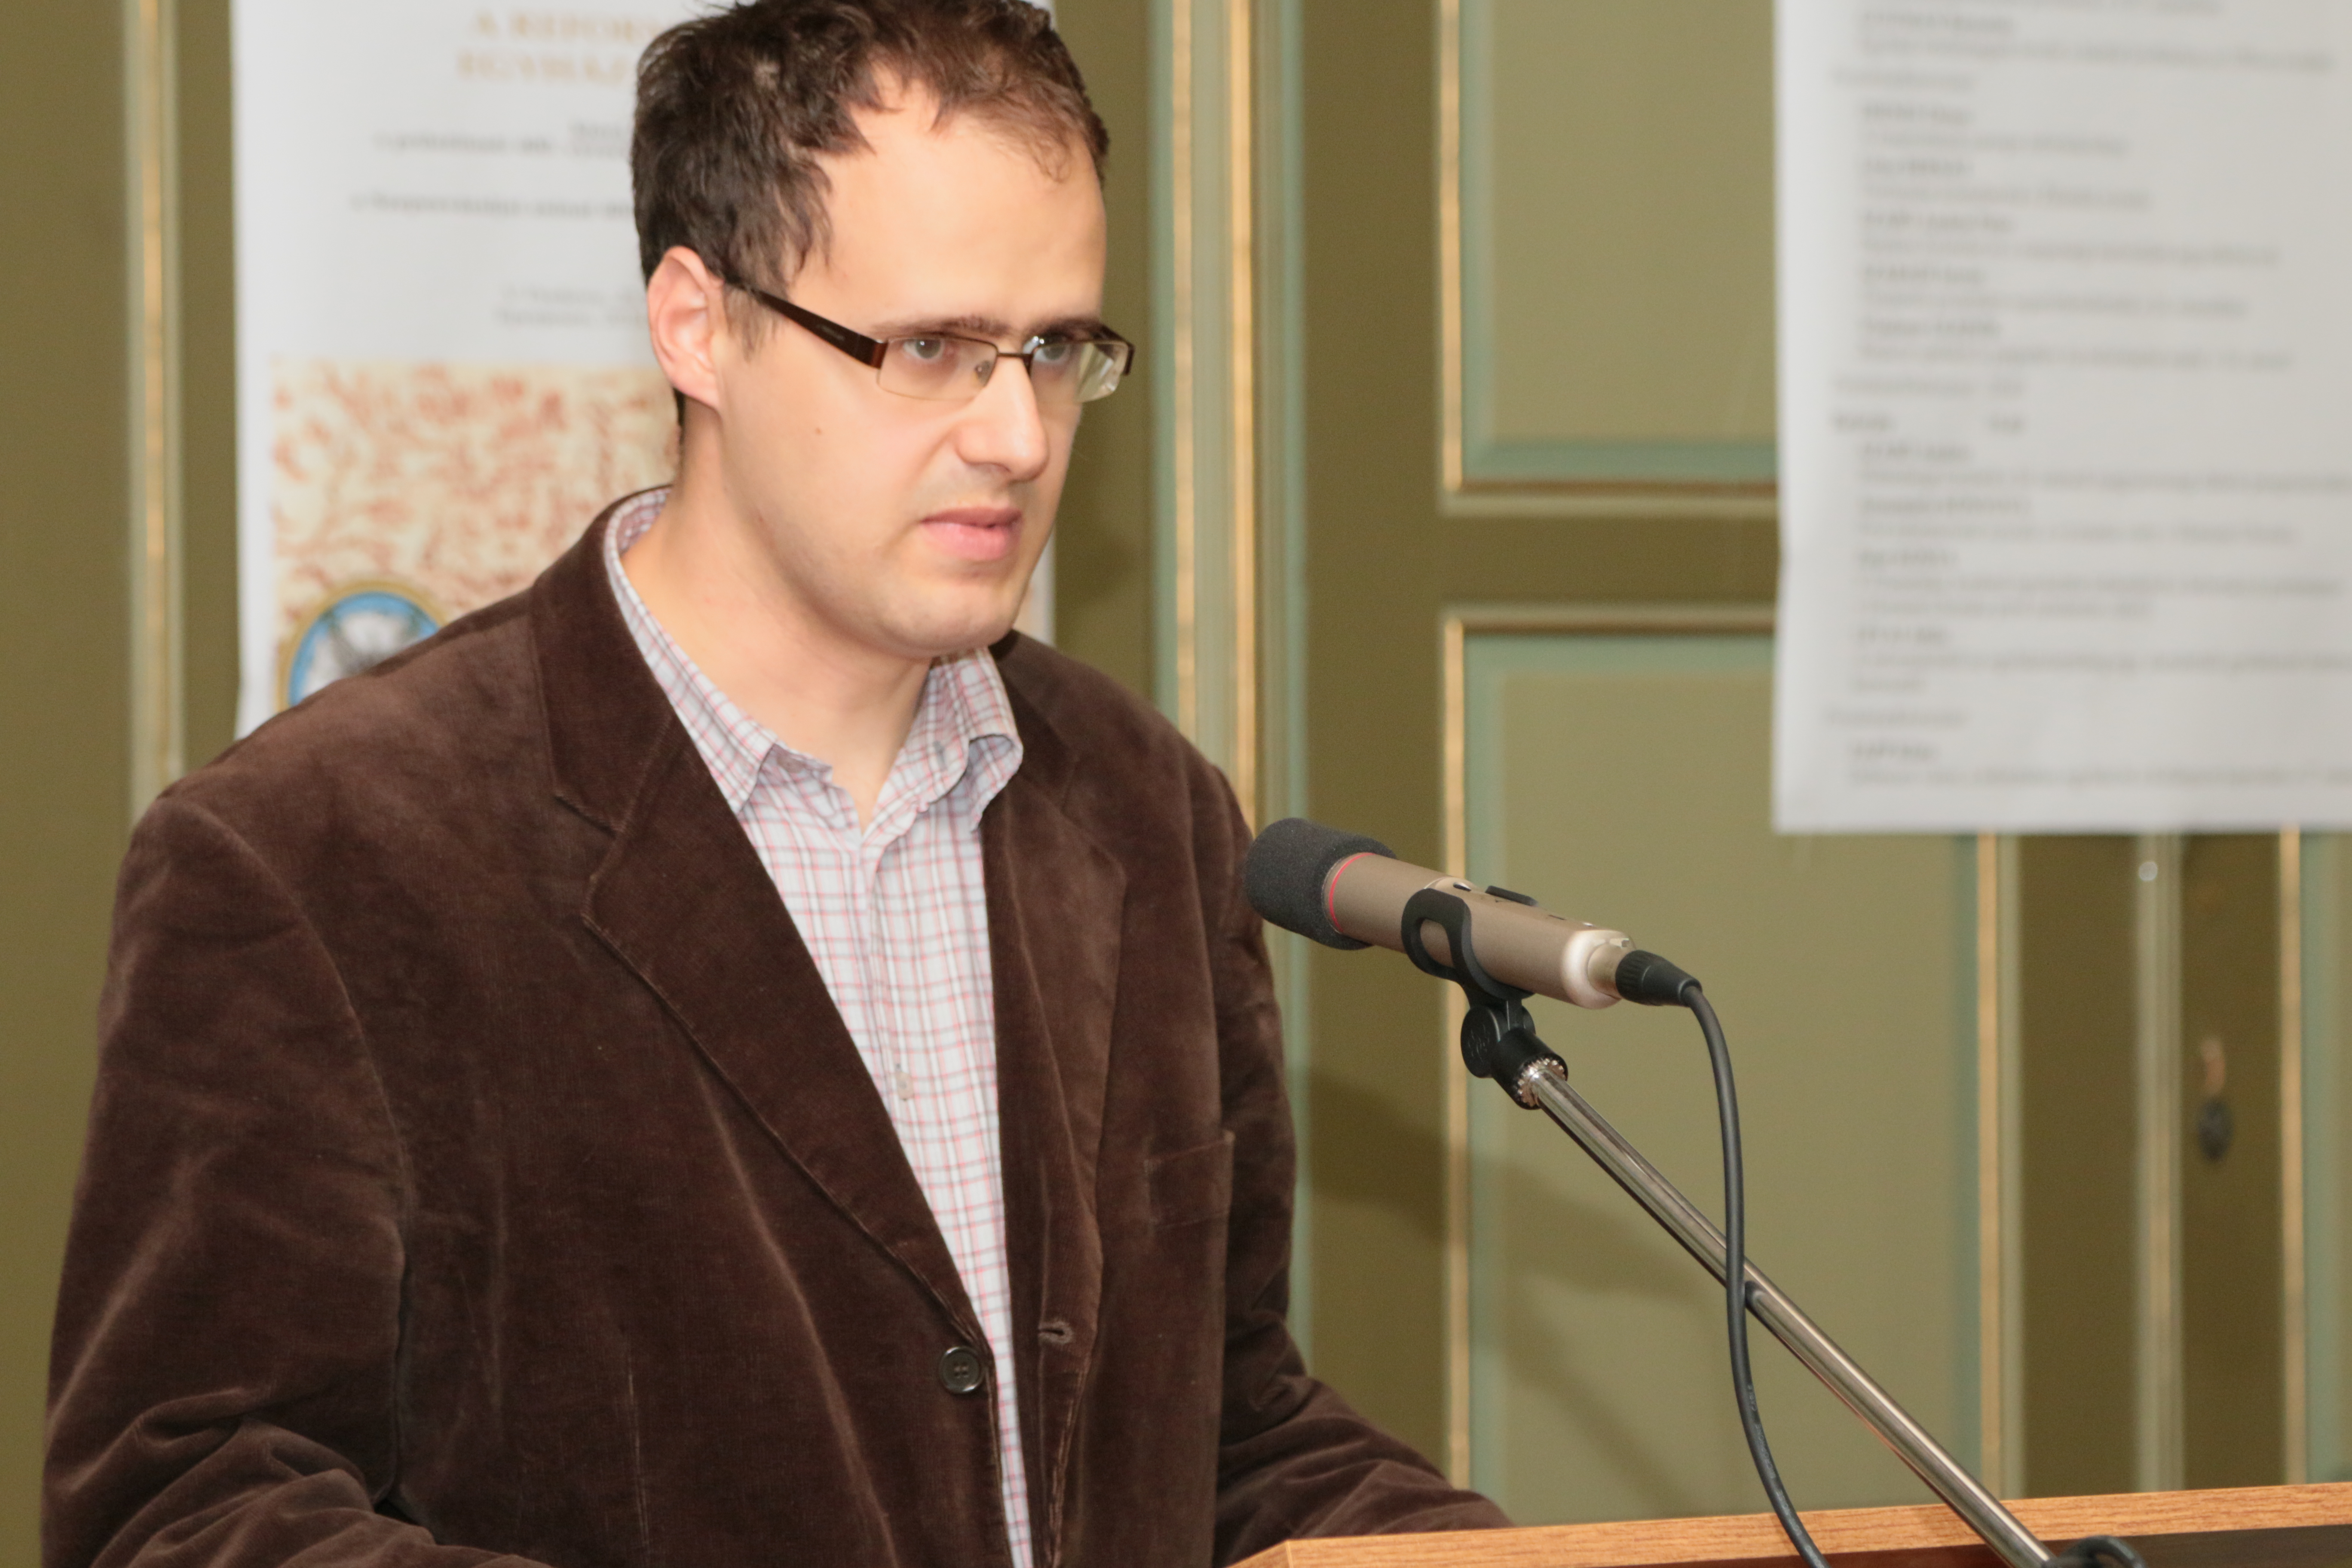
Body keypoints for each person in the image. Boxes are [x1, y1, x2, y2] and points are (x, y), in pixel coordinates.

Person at [44, 2, 1507, 1564]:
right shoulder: (320, 852)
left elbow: (1226, 1431)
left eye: (1055, 351)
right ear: (697, 325)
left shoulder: (1144, 806)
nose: (1018, 436)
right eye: (929, 350)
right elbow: (187, 1511)